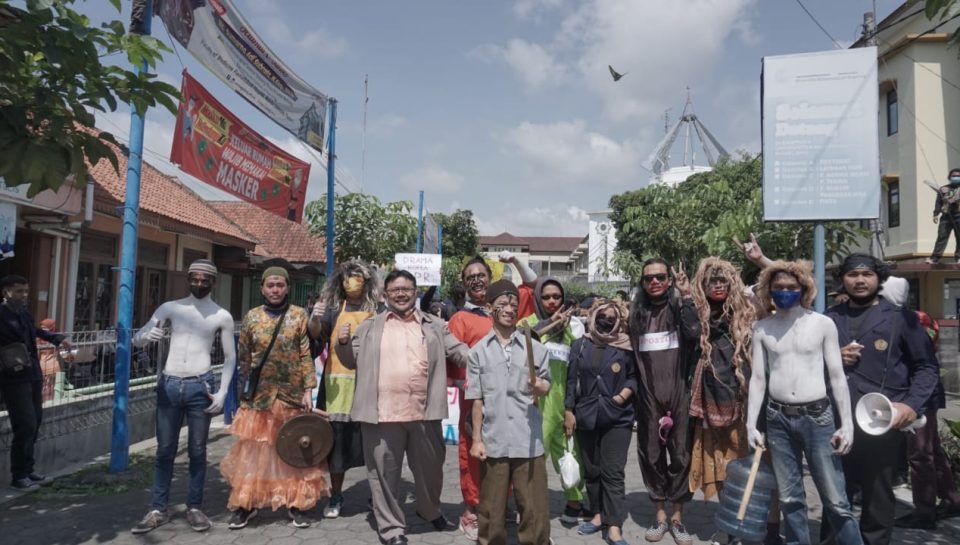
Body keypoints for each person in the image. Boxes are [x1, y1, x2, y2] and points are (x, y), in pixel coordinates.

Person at [336, 269, 468, 545]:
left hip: (425, 413)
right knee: (384, 476)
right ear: (385, 295)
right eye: (395, 290)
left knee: (432, 471)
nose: (401, 294)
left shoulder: (435, 325)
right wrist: (343, 343)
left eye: (407, 289)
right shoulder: (370, 326)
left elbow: (459, 351)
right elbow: (349, 360)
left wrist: (492, 353)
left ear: (415, 292)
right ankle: (392, 528)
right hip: (382, 415)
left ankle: (429, 509)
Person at [822, 255, 938, 545]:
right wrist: (834, 357)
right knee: (835, 495)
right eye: (853, 274)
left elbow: (926, 367)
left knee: (878, 497)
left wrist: (911, 405)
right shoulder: (828, 319)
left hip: (880, 423)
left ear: (879, 278)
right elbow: (804, 363)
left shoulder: (902, 319)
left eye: (867, 274)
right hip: (835, 420)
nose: (860, 280)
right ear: (842, 280)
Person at [747, 260, 862, 545]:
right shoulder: (762, 328)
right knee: (789, 498)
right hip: (778, 419)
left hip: (818, 418)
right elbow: (758, 379)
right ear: (768, 291)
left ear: (803, 289)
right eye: (778, 288)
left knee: (836, 500)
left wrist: (847, 424)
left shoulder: (822, 324)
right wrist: (751, 423)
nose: (785, 292)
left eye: (791, 287)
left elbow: (837, 376)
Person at [129, 260, 237, 534]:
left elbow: (229, 358)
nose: (199, 284)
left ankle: (195, 507)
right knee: (165, 451)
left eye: (205, 280)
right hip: (169, 384)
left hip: (200, 387)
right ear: (188, 279)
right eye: (195, 279)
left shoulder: (220, 315)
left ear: (213, 282)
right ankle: (157, 508)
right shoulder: (171, 308)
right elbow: (137, 339)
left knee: (198, 451)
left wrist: (223, 392)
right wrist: (146, 336)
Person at [220, 266, 328, 530]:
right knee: (255, 453)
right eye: (270, 285)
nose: (275, 290)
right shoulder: (252, 317)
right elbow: (244, 356)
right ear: (262, 289)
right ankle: (247, 505)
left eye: (280, 285)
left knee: (293, 451)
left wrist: (307, 391)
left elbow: (305, 354)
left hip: (291, 395)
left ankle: (296, 504)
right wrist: (244, 391)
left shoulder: (298, 315)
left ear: (288, 287)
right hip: (259, 396)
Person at [446, 253, 538, 541]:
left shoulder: (507, 306)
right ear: (464, 284)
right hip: (476, 402)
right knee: (474, 455)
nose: (476, 279)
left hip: (511, 402)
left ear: (490, 277)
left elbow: (532, 285)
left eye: (480, 274)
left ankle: (500, 505)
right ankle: (471, 511)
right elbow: (456, 362)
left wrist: (513, 261)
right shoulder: (460, 318)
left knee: (506, 453)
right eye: (469, 277)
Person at [466, 279, 552, 545]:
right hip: (494, 441)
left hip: (528, 440)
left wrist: (540, 386)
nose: (509, 309)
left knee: (534, 510)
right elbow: (477, 400)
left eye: (514, 304)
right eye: (502, 304)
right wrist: (477, 440)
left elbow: (546, 384)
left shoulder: (535, 348)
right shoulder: (478, 352)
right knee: (491, 510)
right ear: (490, 307)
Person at [879, 278, 960, 529]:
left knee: (920, 453)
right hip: (921, 392)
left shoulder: (910, 320)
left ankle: (924, 512)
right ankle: (951, 500)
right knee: (932, 449)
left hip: (917, 394)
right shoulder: (919, 317)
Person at [629, 258, 699, 545]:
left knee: (681, 456)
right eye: (649, 278)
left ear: (669, 279)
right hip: (648, 398)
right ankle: (659, 518)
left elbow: (694, 332)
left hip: (679, 394)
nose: (655, 282)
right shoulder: (637, 314)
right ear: (643, 283)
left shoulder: (679, 308)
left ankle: (677, 519)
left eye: (660, 276)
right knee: (651, 455)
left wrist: (686, 295)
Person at [688, 258, 756, 543]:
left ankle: (741, 527)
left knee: (741, 466)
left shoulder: (748, 313)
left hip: (741, 402)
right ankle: (728, 527)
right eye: (712, 282)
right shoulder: (697, 316)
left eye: (723, 281)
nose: (718, 286)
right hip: (708, 401)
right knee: (717, 466)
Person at [307, 260, 381, 519]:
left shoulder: (378, 309)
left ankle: (377, 496)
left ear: (368, 280)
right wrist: (314, 317)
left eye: (358, 276)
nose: (353, 281)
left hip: (371, 386)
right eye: (348, 277)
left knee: (374, 446)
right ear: (340, 282)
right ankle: (336, 495)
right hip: (338, 386)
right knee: (337, 447)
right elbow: (316, 334)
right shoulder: (333, 309)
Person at [564, 298, 636, 545]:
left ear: (619, 320)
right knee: (592, 471)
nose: (607, 320)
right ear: (593, 317)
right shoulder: (580, 345)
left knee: (612, 472)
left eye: (612, 317)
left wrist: (620, 397)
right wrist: (568, 410)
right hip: (586, 414)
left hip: (618, 417)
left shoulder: (626, 346)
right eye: (602, 316)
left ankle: (614, 525)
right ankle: (597, 514)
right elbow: (571, 380)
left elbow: (634, 378)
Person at [518, 277, 586, 524]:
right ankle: (529, 508)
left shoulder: (571, 330)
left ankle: (575, 502)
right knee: (535, 458)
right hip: (535, 406)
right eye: (546, 296)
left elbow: (573, 372)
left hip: (561, 405)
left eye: (556, 296)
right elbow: (523, 341)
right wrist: (550, 323)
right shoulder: (528, 323)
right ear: (538, 298)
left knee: (570, 454)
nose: (551, 301)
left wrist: (569, 408)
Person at [0, 274, 70, 491]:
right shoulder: (1, 314)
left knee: (35, 422)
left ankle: (28, 469)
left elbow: (38, 332)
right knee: (25, 423)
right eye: (19, 291)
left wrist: (58, 339)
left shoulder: (24, 313)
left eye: (25, 291)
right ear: (6, 291)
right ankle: (18, 475)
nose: (23, 295)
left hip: (32, 373)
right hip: (13, 376)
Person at [926, 167, 960, 264]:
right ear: (950, 177)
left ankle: (959, 257)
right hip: (946, 216)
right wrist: (935, 214)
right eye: (954, 176)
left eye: (958, 176)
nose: (956, 177)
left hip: (959, 215)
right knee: (942, 236)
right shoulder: (943, 189)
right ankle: (935, 258)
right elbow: (938, 202)